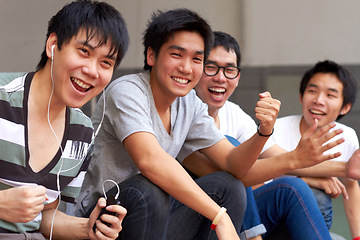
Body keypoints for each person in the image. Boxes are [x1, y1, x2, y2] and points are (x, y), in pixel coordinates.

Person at [73, 8, 287, 240]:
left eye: (197, 58)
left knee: (228, 185)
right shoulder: (127, 91)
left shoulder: (189, 103)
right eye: (177, 55)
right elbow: (150, 161)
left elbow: (232, 163)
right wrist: (219, 216)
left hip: (155, 219)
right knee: (148, 189)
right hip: (101, 217)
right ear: (151, 56)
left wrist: (264, 131)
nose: (186, 68)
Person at [181, 31, 347, 239]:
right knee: (234, 151)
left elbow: (275, 160)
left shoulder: (234, 113)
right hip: (199, 218)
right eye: (211, 67)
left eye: (229, 70)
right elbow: (237, 177)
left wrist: (343, 168)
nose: (220, 77)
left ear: (238, 76)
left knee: (293, 189)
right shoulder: (182, 113)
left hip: (238, 212)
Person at [0, 0, 129, 239]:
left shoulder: (82, 132)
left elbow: (45, 217)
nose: (92, 71)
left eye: (106, 63)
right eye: (84, 52)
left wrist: (88, 228)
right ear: (53, 45)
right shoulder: (2, 98)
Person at [272, 60, 360, 239]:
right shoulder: (275, 129)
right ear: (301, 96)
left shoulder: (346, 136)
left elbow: (351, 187)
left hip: (306, 226)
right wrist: (306, 180)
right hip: (270, 221)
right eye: (312, 91)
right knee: (314, 196)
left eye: (330, 95)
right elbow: (261, 179)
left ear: (345, 107)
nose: (318, 100)